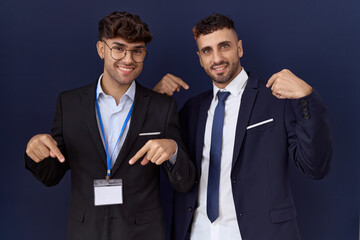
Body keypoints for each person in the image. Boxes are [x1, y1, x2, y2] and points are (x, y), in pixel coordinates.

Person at [153, 13, 332, 240]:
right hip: (198, 232)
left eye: (224, 46)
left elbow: (316, 167)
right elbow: (177, 172)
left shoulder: (275, 99)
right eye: (207, 50)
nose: (217, 58)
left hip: (259, 233)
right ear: (200, 58)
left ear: (239, 48)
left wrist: (307, 98)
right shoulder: (192, 109)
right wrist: (154, 101)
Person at [25, 11, 195, 240]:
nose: (128, 59)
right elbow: (51, 176)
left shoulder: (162, 107)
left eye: (137, 51)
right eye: (119, 48)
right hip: (84, 232)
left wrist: (173, 151)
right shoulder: (69, 103)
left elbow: (185, 183)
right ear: (101, 49)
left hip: (144, 233)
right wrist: (36, 153)